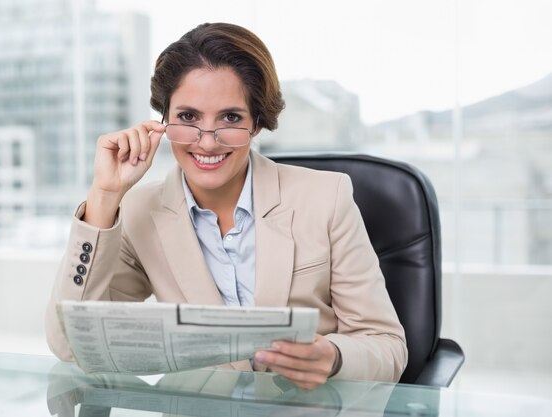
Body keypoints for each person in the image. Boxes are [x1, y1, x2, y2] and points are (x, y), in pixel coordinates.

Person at [45, 22, 407, 390]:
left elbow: (387, 347)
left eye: (230, 118)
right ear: (163, 122)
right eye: (188, 118)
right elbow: (69, 343)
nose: (207, 141)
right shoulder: (140, 210)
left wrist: (333, 358)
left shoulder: (326, 197)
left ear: (257, 124)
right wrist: (105, 195)